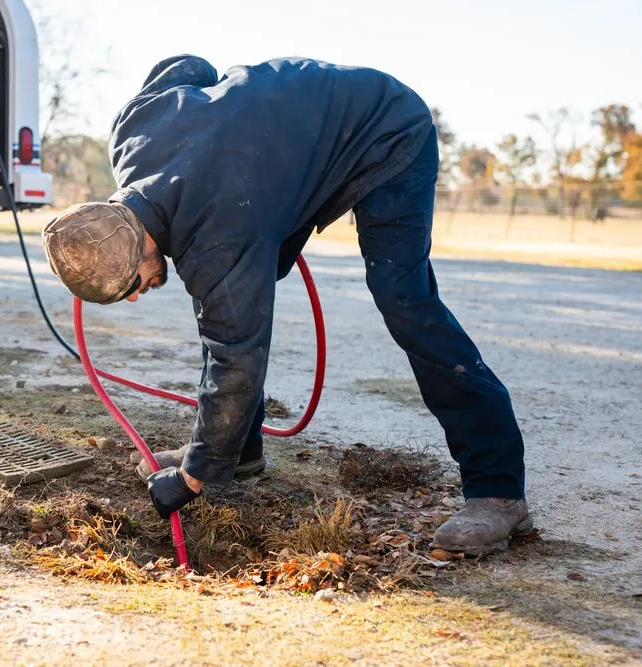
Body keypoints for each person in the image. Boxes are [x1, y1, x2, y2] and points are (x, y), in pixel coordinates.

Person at [41, 55, 532, 555]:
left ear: (139, 245)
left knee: (405, 299)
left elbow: (237, 356)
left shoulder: (219, 237)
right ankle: (239, 450)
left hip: (385, 128)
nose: (136, 295)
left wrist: (191, 478)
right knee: (221, 301)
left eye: (132, 285)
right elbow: (190, 67)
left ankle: (498, 489)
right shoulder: (132, 132)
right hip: (276, 162)